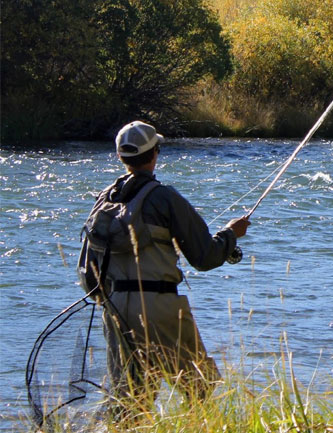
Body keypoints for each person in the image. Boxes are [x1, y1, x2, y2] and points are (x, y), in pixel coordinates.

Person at [80, 121, 250, 416]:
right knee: (199, 386)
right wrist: (231, 234)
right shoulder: (164, 197)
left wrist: (114, 302)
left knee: (128, 400)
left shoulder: (103, 201)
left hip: (115, 308)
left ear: (121, 157)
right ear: (155, 153)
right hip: (161, 306)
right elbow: (205, 257)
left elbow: (87, 273)